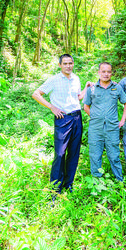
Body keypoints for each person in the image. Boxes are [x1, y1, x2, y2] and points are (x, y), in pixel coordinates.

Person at [32, 54, 87, 193]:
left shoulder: (76, 78)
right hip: (62, 119)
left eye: (70, 63)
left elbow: (78, 97)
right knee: (60, 153)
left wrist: (86, 87)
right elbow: (36, 94)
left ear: (73, 64)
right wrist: (52, 107)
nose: (68, 66)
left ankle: (68, 185)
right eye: (65, 63)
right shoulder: (54, 80)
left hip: (76, 117)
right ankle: (55, 189)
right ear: (60, 65)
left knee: (74, 153)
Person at [83, 62, 126, 181]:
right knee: (95, 155)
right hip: (95, 128)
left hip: (112, 128)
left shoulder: (117, 87)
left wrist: (122, 120)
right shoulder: (92, 89)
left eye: (109, 71)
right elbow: (86, 106)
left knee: (114, 155)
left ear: (111, 73)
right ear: (99, 72)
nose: (106, 74)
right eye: (103, 71)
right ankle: (97, 182)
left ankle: (119, 180)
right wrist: (95, 116)